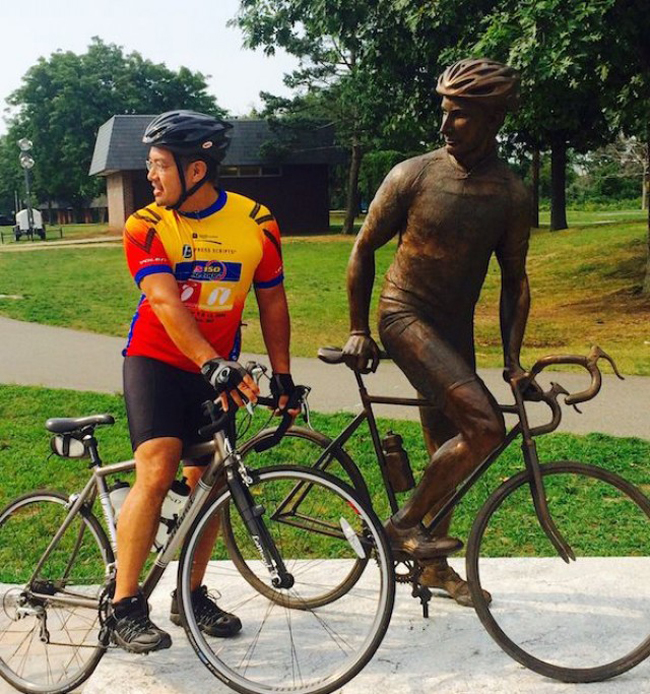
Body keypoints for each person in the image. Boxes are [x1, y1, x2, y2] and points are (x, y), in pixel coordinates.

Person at [342, 59, 531, 606]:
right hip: (404, 316)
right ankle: (401, 524)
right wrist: (359, 328)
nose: (445, 125)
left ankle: (431, 567)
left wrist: (513, 361)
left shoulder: (512, 194)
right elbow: (363, 248)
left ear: (493, 119)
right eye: (444, 112)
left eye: (460, 115)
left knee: (449, 451)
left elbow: (515, 281)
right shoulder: (414, 174)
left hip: (452, 329)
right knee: (485, 426)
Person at [109, 110, 298, 652]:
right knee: (158, 466)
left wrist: (283, 373)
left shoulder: (256, 221)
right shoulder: (145, 225)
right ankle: (124, 605)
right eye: (150, 165)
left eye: (160, 165)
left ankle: (189, 595)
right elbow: (165, 302)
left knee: (211, 479)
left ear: (196, 170)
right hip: (156, 362)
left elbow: (272, 299)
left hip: (216, 368)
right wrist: (210, 361)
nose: (151, 176)